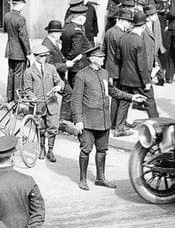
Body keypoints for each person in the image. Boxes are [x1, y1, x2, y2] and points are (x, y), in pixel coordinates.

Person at [71, 46, 144, 191]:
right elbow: (76, 99)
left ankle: (100, 178)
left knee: (102, 150)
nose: (103, 59)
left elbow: (111, 91)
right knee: (86, 150)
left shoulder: (104, 73)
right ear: (92, 59)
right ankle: (83, 179)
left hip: (104, 120)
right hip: (88, 121)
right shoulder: (81, 75)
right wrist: (78, 120)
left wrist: (131, 97)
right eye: (100, 57)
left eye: (103, 57)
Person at [22, 44, 63, 162]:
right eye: (41, 56)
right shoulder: (29, 72)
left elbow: (59, 80)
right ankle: (41, 148)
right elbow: (27, 89)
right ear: (36, 57)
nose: (44, 58)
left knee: (53, 127)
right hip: (38, 104)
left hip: (51, 102)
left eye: (45, 56)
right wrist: (32, 97)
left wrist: (59, 87)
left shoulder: (51, 68)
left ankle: (50, 150)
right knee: (40, 127)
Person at [3, 0, 30, 102]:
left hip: (10, 49)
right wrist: (28, 52)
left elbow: (6, 30)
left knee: (11, 73)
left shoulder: (7, 16)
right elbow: (24, 37)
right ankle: (17, 99)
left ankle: (9, 98)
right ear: (21, 4)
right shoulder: (21, 18)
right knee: (19, 75)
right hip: (19, 51)